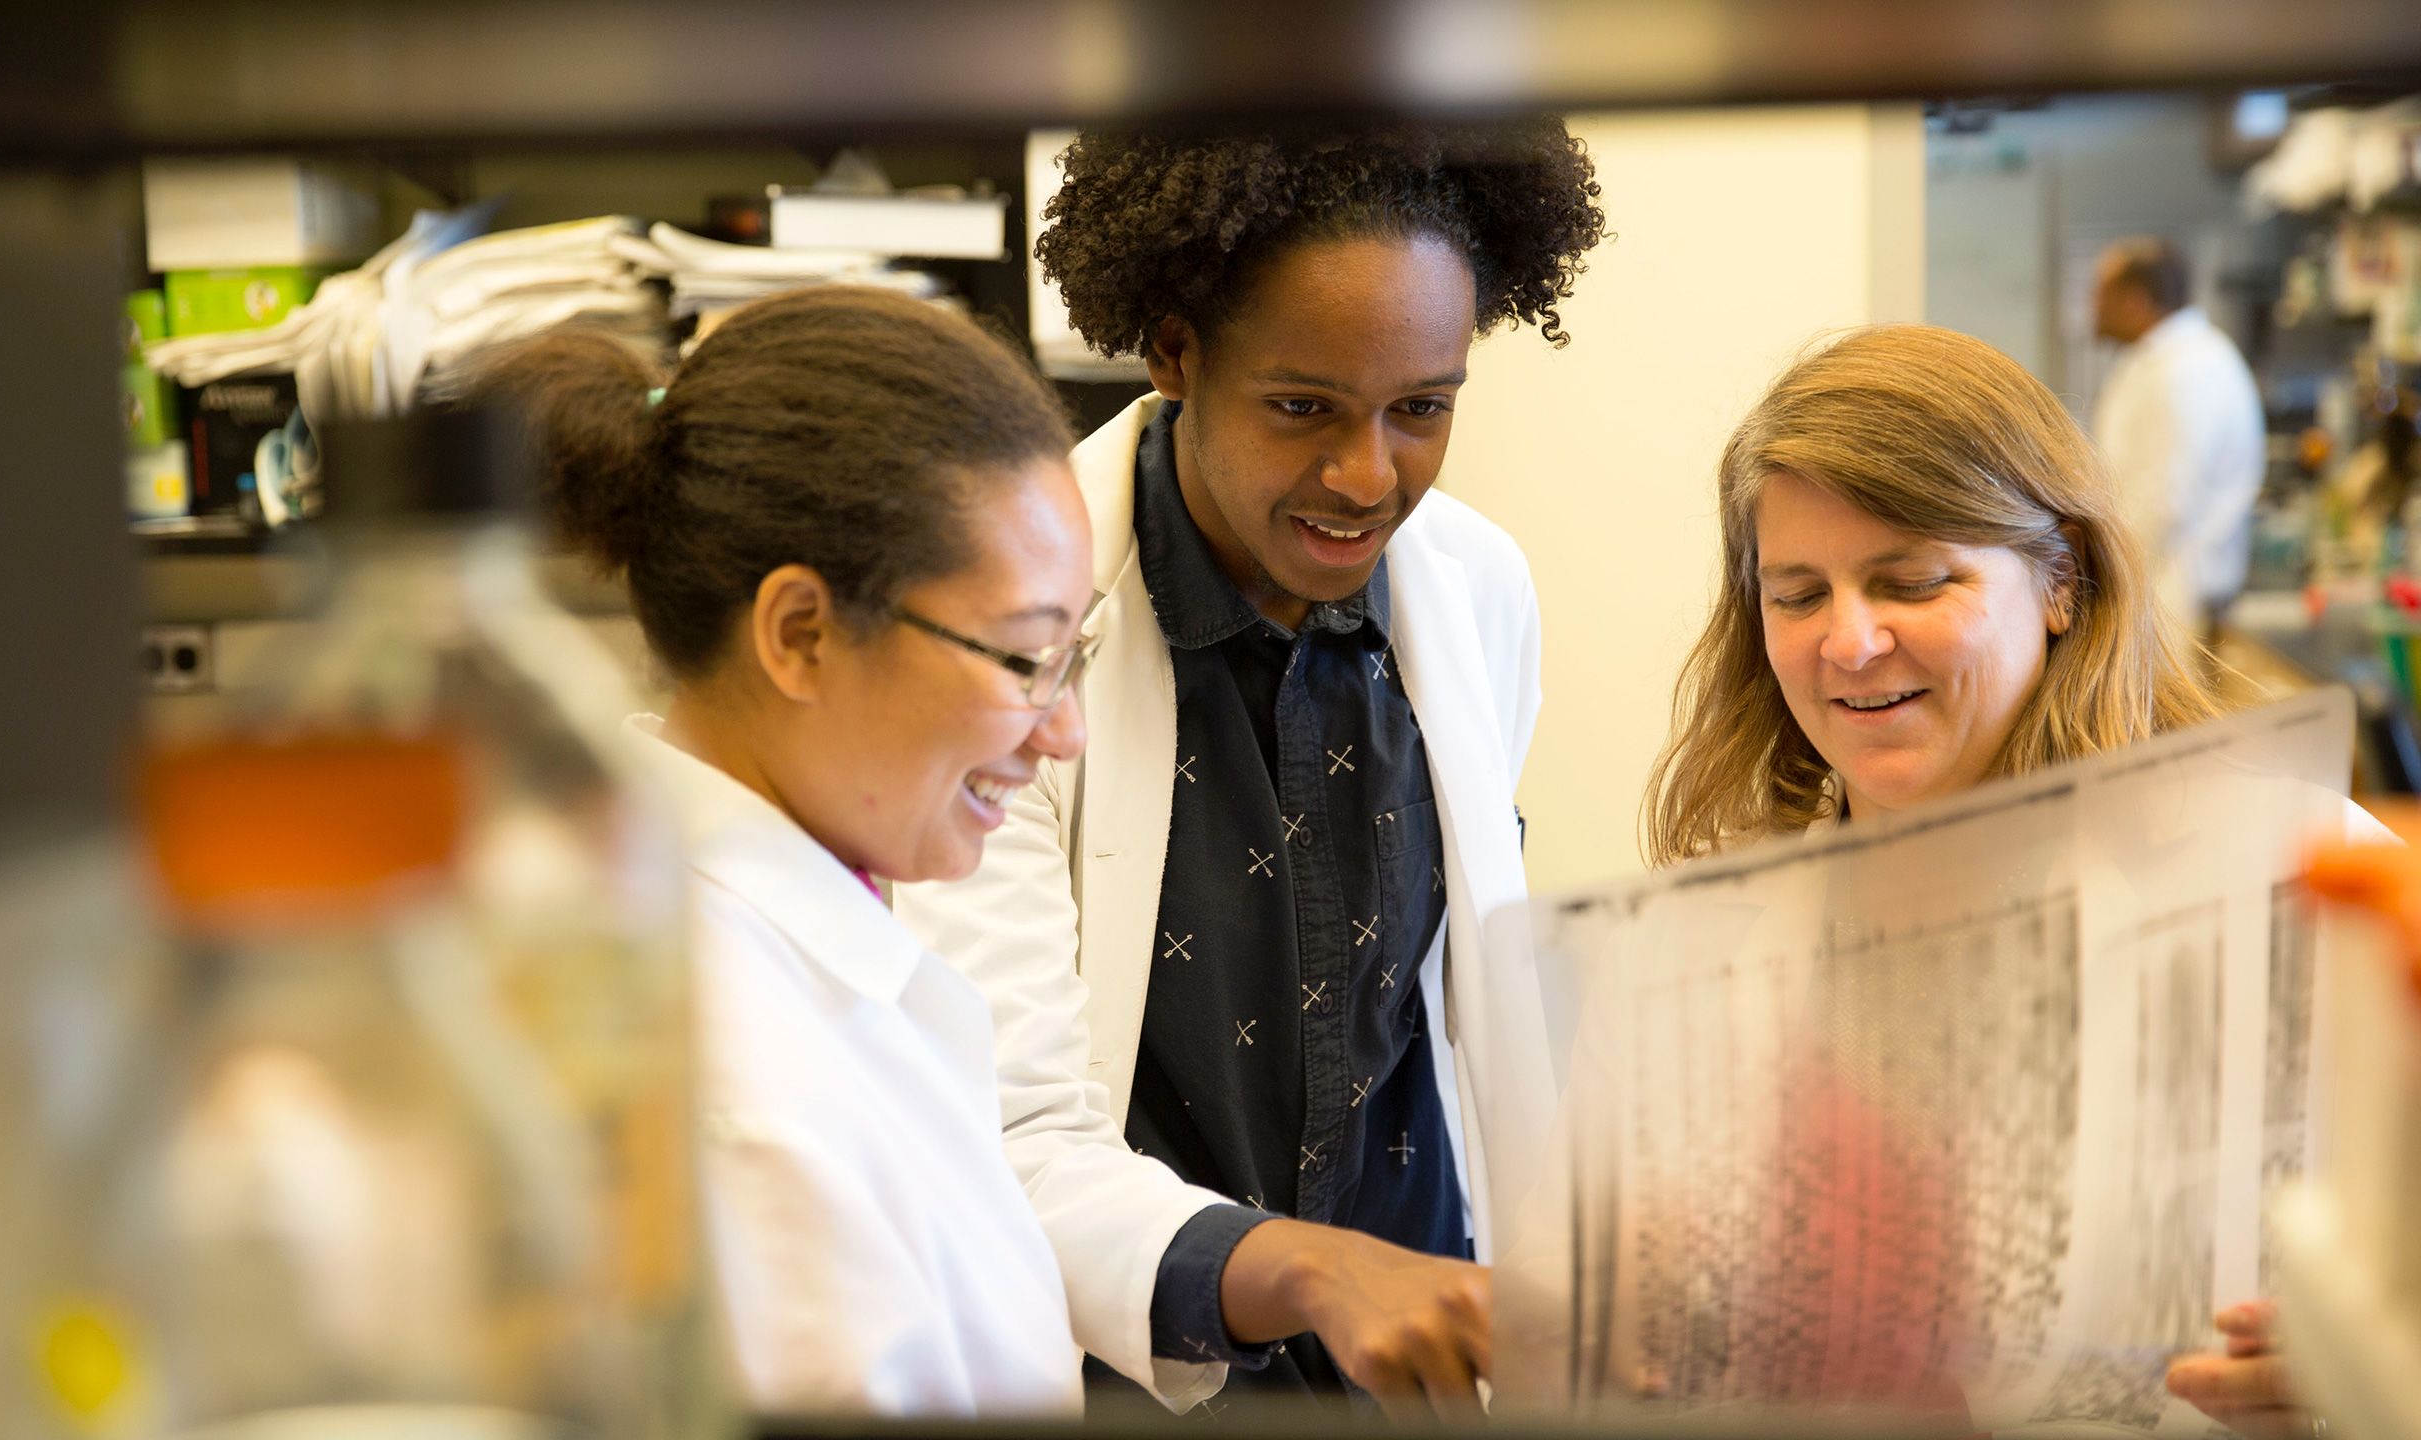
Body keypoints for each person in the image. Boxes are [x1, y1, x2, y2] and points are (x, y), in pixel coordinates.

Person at [893, 118, 1606, 1413]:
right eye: (1302, 409)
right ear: (1174, 353)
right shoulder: (1005, 623)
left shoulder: (1479, 589)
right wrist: (1314, 1272)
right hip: (1142, 1362)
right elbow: (1006, 1132)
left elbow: (1453, 1014)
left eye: (1423, 411)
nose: (1365, 476)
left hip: (1422, 1354)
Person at [1644, 323, 2355, 1440]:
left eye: (1911, 581)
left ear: (2060, 578)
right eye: (1797, 594)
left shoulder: (2296, 870)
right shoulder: (1710, 931)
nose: (1851, 642)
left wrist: (2358, 1371)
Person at [464, 288, 1100, 1415]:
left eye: (1071, 657)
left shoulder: (783, 944)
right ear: (800, 635)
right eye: (1021, 661)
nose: (1064, 732)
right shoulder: (739, 1084)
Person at [2090, 236, 2268, 634]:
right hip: (2157, 591)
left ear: (2136, 300)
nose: (2093, 309)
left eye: (2102, 294)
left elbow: (2162, 501)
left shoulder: (2186, 371)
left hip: (2174, 598)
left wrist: (2100, 581)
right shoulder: (2164, 360)